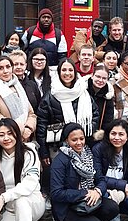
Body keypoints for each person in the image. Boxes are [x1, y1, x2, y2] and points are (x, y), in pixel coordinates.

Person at [36, 58, 99, 199]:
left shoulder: (83, 92)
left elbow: (95, 114)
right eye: (64, 70)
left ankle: (80, 198)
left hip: (80, 143)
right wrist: (44, 152)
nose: (67, 73)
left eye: (70, 70)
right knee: (59, 177)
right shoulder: (51, 96)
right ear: (58, 72)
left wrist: (84, 133)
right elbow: (41, 125)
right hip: (57, 145)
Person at [50, 122, 119, 221]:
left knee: (112, 208)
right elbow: (56, 193)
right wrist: (85, 193)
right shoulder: (60, 161)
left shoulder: (88, 155)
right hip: (67, 207)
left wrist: (97, 191)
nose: (79, 143)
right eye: (74, 140)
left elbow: (101, 179)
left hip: (87, 201)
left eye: (81, 139)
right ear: (66, 141)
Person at [92, 119, 128, 221]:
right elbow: (97, 177)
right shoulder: (98, 149)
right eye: (113, 134)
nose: (117, 138)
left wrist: (123, 192)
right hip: (103, 188)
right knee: (102, 198)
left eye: (121, 134)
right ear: (108, 135)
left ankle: (117, 208)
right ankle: (107, 215)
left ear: (127, 137)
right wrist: (122, 185)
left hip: (124, 190)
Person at [0, 55, 37, 143]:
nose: (5, 71)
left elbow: (30, 113)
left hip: (23, 139)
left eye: (8, 67)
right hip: (1, 142)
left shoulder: (18, 87)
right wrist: (20, 130)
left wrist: (28, 128)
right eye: (0, 68)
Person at [86, 64, 115, 132]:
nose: (100, 80)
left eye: (104, 78)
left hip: (97, 132)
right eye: (98, 77)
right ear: (92, 76)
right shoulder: (82, 91)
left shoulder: (108, 96)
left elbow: (108, 120)